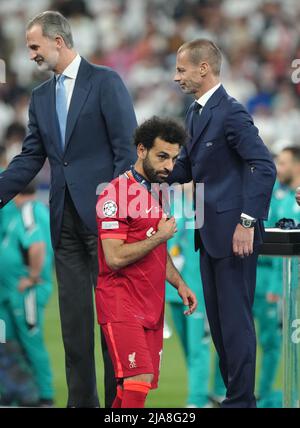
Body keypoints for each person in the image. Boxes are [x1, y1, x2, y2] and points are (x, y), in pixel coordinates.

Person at [0, 11, 137, 407]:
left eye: (34, 46)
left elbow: (126, 152)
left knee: (113, 329)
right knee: (74, 333)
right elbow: (30, 159)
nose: (30, 55)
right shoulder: (41, 97)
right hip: (64, 226)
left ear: (58, 41)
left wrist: (114, 210)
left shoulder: (105, 81)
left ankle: (118, 409)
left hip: (106, 225)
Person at [170, 39, 276, 408]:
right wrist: (151, 168)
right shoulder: (196, 113)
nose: (176, 76)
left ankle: (241, 402)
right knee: (219, 326)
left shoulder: (230, 111)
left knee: (235, 324)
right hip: (208, 235)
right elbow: (187, 168)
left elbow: (264, 166)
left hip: (235, 236)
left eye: (182, 69)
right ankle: (236, 397)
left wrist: (247, 221)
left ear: (204, 68)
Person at [95, 116, 197, 408]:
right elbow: (114, 257)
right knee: (139, 377)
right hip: (120, 303)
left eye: (174, 159)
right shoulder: (114, 193)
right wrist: (159, 236)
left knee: (133, 388)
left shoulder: (157, 192)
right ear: (141, 150)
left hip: (151, 304)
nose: (169, 166)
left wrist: (179, 283)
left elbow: (157, 252)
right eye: (162, 156)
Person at [166, 182, 225, 408]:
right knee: (189, 348)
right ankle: (213, 394)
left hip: (200, 289)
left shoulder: (207, 206)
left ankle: (197, 401)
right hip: (173, 291)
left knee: (199, 346)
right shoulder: (172, 205)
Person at [0, 181, 54, 406]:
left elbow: (37, 245)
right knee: (9, 342)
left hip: (27, 291)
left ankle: (44, 396)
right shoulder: (16, 210)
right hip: (11, 292)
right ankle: (18, 391)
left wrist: (32, 276)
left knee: (31, 341)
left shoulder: (31, 208)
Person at [255, 146, 300, 408]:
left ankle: (268, 393)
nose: (277, 169)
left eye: (282, 163)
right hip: (265, 275)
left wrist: (275, 286)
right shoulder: (278, 193)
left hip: (284, 281)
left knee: (276, 343)